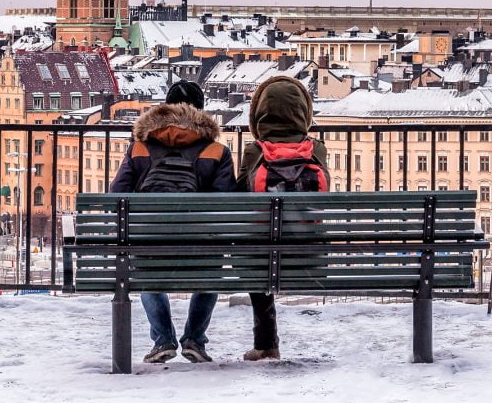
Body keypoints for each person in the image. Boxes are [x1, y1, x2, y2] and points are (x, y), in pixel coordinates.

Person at [110, 81, 236, 364]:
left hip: (150, 247)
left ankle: (163, 339)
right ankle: (194, 339)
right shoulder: (216, 152)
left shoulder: (140, 148)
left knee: (142, 271)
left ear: (164, 109)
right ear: (201, 112)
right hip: (199, 249)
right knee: (211, 273)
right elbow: (225, 204)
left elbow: (117, 196)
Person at [236, 75, 330, 362]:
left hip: (262, 256)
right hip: (310, 253)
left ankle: (266, 343)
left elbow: (241, 198)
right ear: (303, 112)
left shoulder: (255, 151)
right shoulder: (317, 149)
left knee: (255, 256)